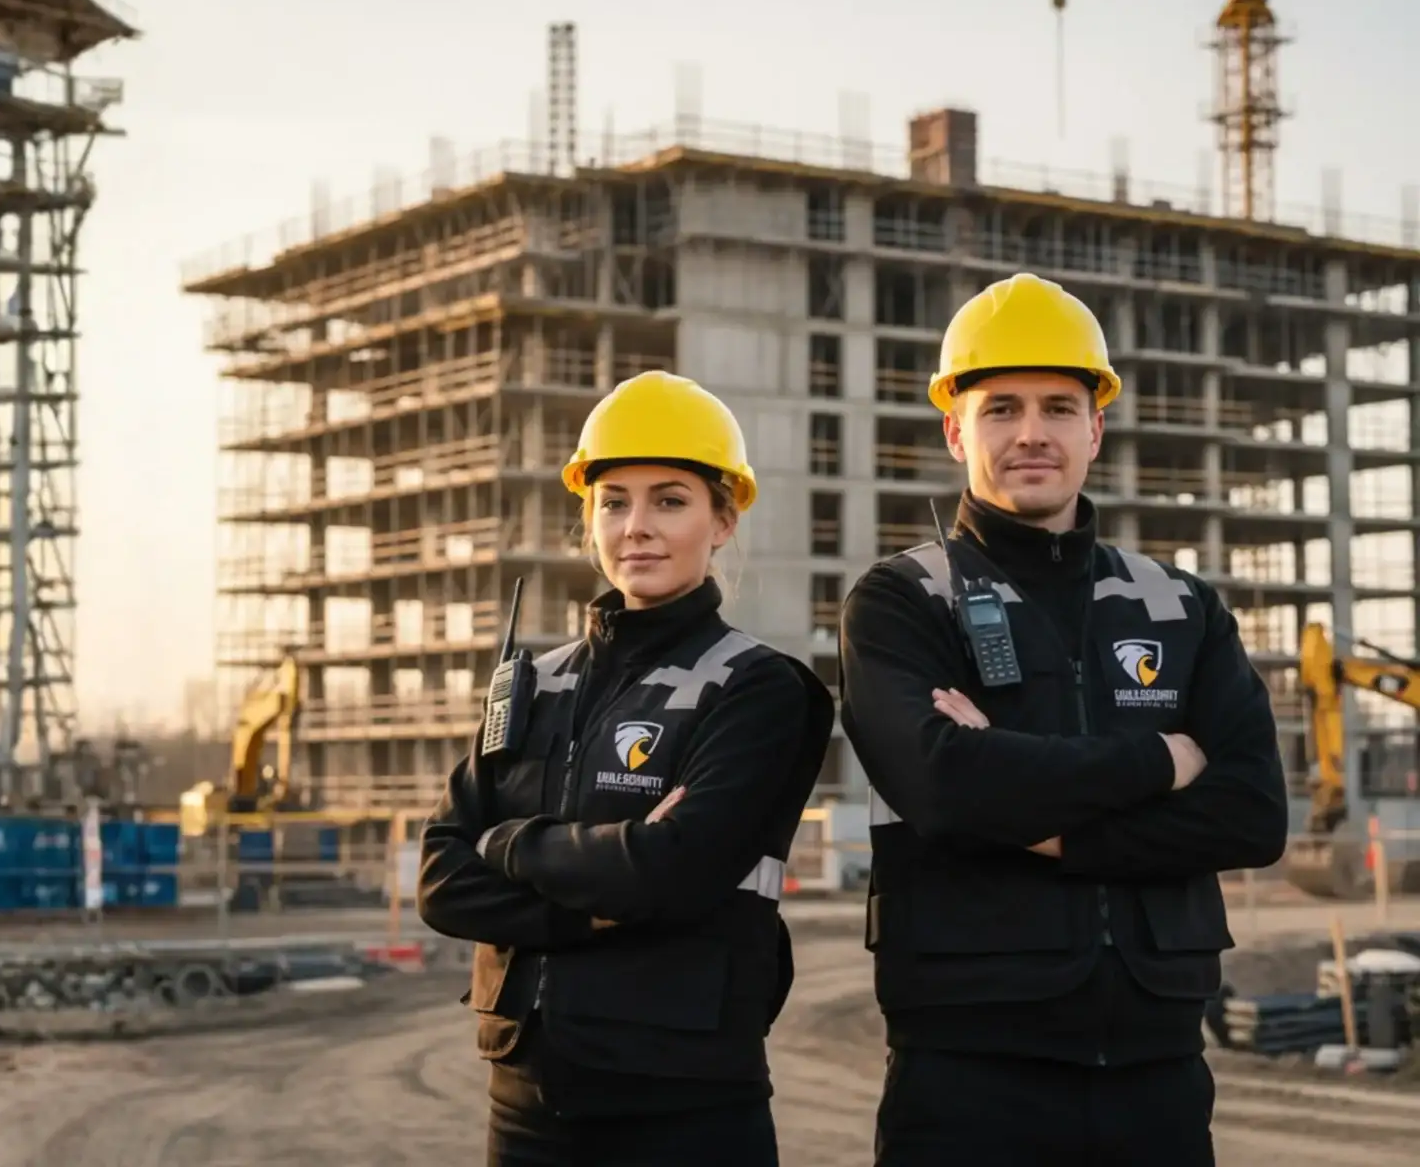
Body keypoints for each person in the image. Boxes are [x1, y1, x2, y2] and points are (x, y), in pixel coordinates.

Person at [837, 273, 1289, 1166]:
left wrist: (1050, 826)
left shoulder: (1179, 606)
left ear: (1097, 428)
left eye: (1059, 406)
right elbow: (946, 786)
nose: (1032, 432)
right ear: (956, 429)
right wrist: (1162, 762)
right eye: (1001, 408)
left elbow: (1253, 813)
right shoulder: (902, 601)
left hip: (1157, 1073)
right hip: (967, 1074)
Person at [416, 370, 833, 1167]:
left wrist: (509, 844)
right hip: (527, 1105)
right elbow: (440, 878)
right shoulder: (532, 685)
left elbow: (671, 872)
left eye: (669, 500)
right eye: (614, 501)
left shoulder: (758, 688)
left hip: (687, 1106)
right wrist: (591, 903)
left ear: (723, 519)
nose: (636, 526)